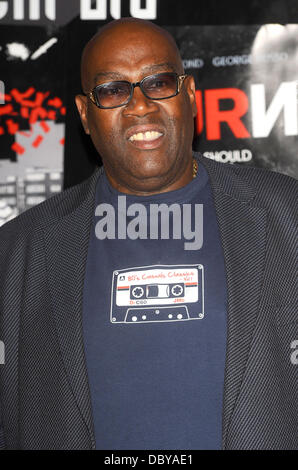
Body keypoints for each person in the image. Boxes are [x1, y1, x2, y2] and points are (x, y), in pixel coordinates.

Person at [0, 18, 297, 450]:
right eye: (113, 90)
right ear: (85, 114)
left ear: (191, 96)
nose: (140, 105)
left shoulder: (289, 216)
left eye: (158, 82)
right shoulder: (17, 254)